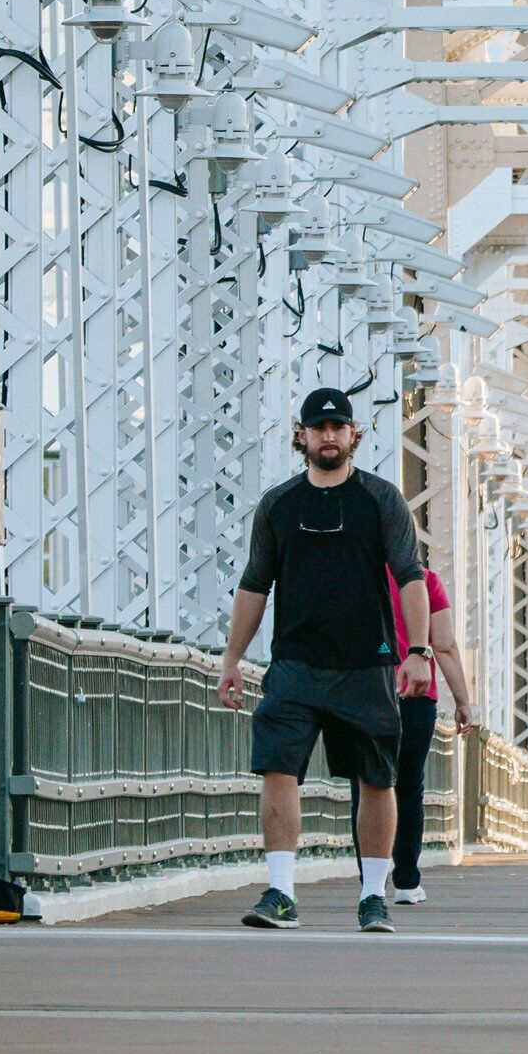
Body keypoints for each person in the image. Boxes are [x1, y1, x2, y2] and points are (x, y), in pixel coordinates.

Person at [215, 387, 435, 936]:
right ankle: (281, 891)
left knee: (376, 779)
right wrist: (232, 658)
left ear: (353, 434)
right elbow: (253, 584)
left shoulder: (381, 499)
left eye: (339, 427)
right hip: (294, 662)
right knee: (277, 768)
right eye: (319, 427)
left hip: (368, 663)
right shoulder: (279, 504)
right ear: (303, 435)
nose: (329, 436)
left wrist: (418, 652)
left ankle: (372, 896)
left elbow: (411, 575)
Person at [385, 562, 477, 904]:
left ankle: (371, 882)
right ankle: (407, 882)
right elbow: (445, 645)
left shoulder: (360, 573)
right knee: (409, 788)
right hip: (416, 695)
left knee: (367, 784)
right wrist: (463, 701)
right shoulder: (427, 580)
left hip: (368, 693)